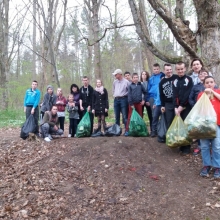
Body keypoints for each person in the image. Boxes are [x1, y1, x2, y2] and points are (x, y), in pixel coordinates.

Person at [198, 76, 220, 178]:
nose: (209, 84)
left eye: (211, 82)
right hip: (204, 125)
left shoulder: (218, 92)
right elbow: (199, 106)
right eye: (207, 83)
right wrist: (206, 94)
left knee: (216, 146)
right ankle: (206, 165)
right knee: (205, 146)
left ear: (214, 83)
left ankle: (217, 166)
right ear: (204, 85)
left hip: (216, 124)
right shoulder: (201, 95)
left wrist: (213, 92)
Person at [173, 61, 193, 154]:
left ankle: (187, 147)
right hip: (178, 108)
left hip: (186, 107)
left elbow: (187, 94)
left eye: (182, 69)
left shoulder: (189, 79)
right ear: (176, 70)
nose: (180, 71)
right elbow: (174, 95)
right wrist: (175, 107)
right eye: (178, 69)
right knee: (179, 127)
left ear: (185, 69)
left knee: (186, 126)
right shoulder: (175, 81)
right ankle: (181, 144)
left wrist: (182, 106)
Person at [189, 68, 209, 156]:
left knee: (209, 129)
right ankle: (200, 146)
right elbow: (190, 98)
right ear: (198, 76)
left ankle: (210, 147)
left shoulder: (213, 86)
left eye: (204, 74)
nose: (202, 75)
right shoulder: (196, 86)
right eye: (201, 74)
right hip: (198, 111)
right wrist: (195, 107)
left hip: (210, 112)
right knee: (200, 129)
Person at [146, 63, 165, 128]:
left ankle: (162, 128)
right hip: (152, 97)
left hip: (161, 97)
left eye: (157, 69)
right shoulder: (151, 78)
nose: (156, 70)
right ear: (153, 70)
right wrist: (147, 99)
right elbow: (148, 89)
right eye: (155, 69)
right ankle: (154, 129)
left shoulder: (163, 76)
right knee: (154, 114)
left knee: (162, 113)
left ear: (159, 69)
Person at [112, 69, 130, 135]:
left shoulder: (126, 82)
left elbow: (129, 91)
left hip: (124, 99)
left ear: (120, 74)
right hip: (116, 100)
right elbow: (113, 90)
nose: (115, 75)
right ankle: (117, 131)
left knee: (125, 116)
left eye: (116, 74)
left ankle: (127, 130)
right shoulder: (114, 82)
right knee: (117, 116)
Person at [160, 64, 178, 129]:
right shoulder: (162, 82)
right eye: (167, 70)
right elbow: (161, 94)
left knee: (177, 119)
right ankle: (169, 136)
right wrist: (162, 105)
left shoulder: (176, 77)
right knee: (169, 120)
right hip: (168, 103)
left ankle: (177, 137)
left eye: (170, 69)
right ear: (164, 71)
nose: (169, 71)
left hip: (177, 102)